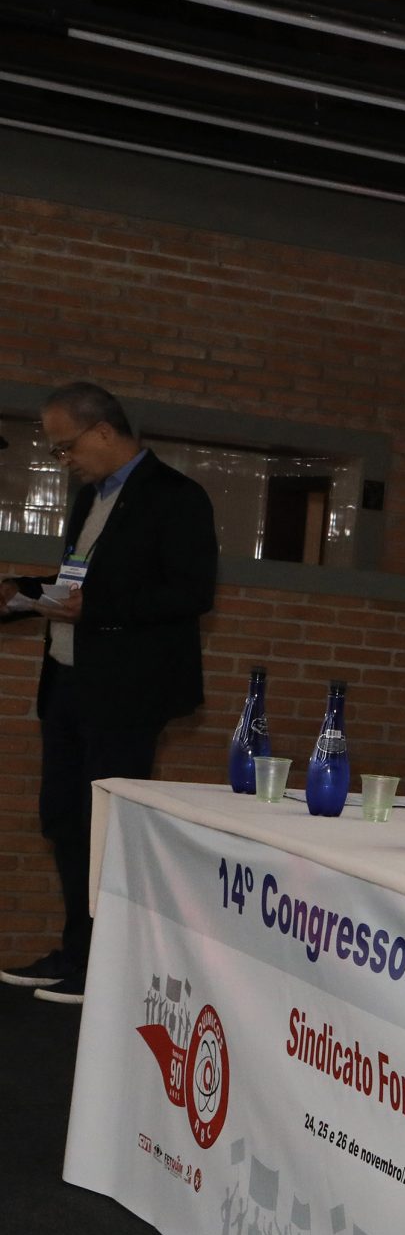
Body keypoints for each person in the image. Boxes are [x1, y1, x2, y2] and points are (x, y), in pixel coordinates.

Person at [2, 382, 217, 1004]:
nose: (62, 458)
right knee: (65, 821)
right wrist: (21, 591)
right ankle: (77, 953)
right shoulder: (89, 499)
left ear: (103, 431)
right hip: (67, 684)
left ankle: (105, 965)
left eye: (66, 446)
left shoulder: (176, 497)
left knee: (107, 832)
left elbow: (189, 593)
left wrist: (95, 612)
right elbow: (79, 585)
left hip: (126, 693)